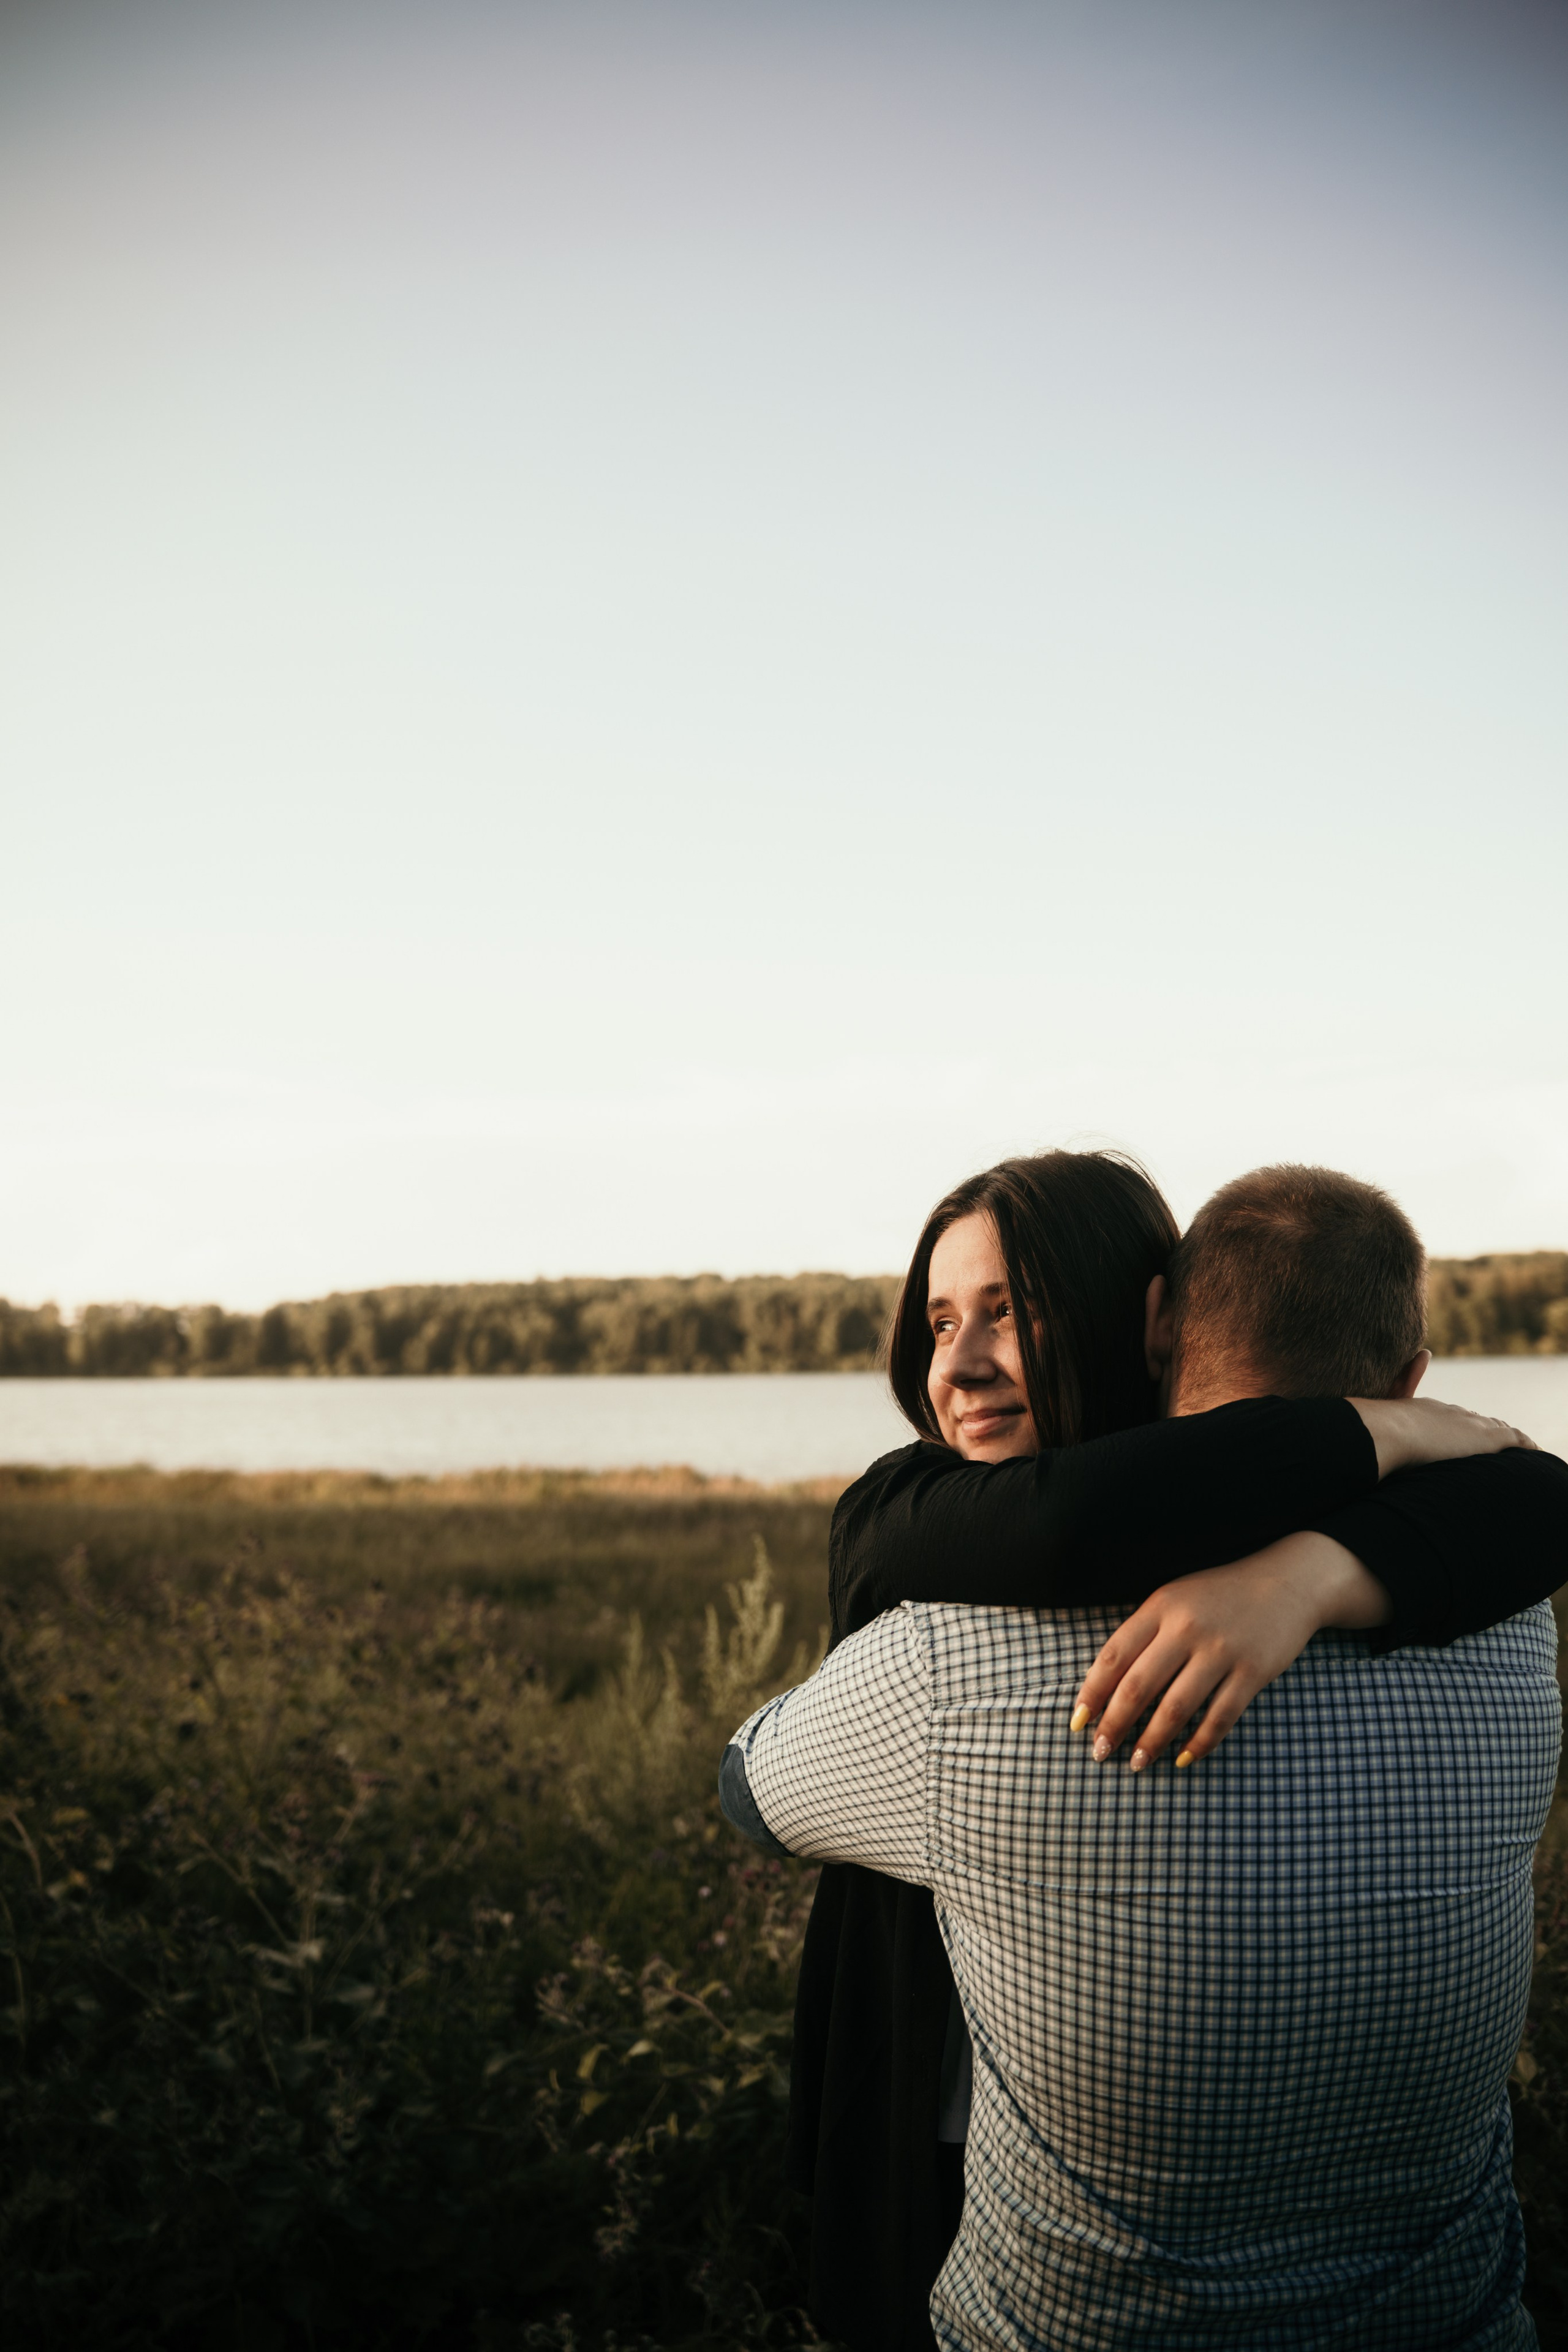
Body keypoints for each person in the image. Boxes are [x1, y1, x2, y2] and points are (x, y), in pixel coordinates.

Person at [722, 1155, 1567, 2350]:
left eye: (1011, 1311)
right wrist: (1356, 1479)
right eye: (939, 1322)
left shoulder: (957, 1658)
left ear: (1149, 1321)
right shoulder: (1505, 1621)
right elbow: (1534, 1498)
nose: (957, 1364)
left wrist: (1304, 1575)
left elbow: (747, 1785)